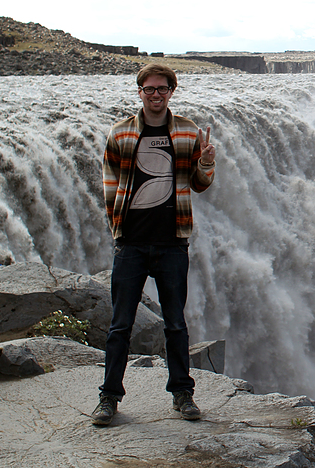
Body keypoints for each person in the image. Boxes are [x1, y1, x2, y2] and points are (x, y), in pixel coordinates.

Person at [92, 64, 216, 426]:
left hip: (172, 243)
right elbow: (109, 183)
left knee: (176, 324)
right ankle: (109, 398)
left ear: (172, 91)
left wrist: (206, 164)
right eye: (149, 89)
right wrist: (117, 228)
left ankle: (182, 394)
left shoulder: (188, 131)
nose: (156, 94)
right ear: (140, 92)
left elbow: (199, 184)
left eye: (162, 88)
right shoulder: (121, 133)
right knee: (119, 326)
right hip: (130, 245)